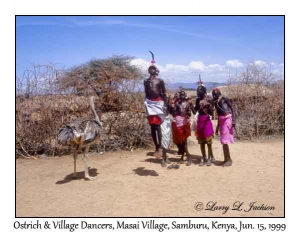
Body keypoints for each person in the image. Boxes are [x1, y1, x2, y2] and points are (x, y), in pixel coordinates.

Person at [144, 64, 167, 161]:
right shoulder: (145, 81)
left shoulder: (160, 81)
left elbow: (164, 93)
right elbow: (146, 93)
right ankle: (156, 147)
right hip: (149, 104)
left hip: (158, 103)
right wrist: (145, 104)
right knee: (152, 127)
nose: (151, 70)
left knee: (158, 126)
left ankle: (161, 147)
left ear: (156, 70)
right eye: (150, 68)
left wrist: (165, 105)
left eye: (153, 68)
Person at [212, 88, 236, 167]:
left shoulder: (224, 99)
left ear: (219, 93)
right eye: (213, 94)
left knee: (225, 141)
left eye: (215, 93)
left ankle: (229, 160)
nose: (214, 95)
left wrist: (233, 120)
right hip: (221, 121)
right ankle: (226, 159)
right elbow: (218, 115)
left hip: (227, 120)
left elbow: (232, 109)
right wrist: (217, 127)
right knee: (223, 141)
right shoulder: (216, 103)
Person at [194, 82, 216, 166]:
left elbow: (211, 113)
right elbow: (195, 110)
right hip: (200, 120)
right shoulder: (197, 100)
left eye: (199, 91)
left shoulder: (208, 99)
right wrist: (196, 106)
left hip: (206, 121)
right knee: (201, 141)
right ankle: (204, 158)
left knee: (208, 142)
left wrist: (207, 106)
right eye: (198, 91)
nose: (198, 93)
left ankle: (210, 158)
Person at [169, 90, 193, 166]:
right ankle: (185, 156)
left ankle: (187, 157)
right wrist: (172, 107)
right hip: (178, 123)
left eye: (183, 95)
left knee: (184, 141)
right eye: (181, 95)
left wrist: (186, 114)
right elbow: (173, 113)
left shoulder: (187, 104)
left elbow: (190, 113)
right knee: (181, 141)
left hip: (185, 123)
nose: (182, 96)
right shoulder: (176, 104)